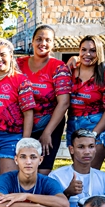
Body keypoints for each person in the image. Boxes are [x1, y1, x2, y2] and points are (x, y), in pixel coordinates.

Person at [16, 26, 72, 175]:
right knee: (20, 170)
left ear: (53, 43)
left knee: (42, 171)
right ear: (32, 42)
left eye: (48, 40)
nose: (43, 43)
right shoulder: (18, 64)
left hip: (49, 126)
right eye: (39, 39)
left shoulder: (59, 67)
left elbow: (64, 103)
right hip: (21, 126)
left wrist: (47, 133)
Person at [0, 39, 36, 174]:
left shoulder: (21, 81)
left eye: (3, 55)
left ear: (11, 56)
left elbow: (28, 113)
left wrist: (25, 142)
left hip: (10, 138)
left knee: (6, 180)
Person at [67, 36, 105, 169]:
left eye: (93, 50)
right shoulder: (70, 70)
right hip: (73, 124)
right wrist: (73, 58)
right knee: (79, 170)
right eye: (83, 50)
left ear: (99, 52)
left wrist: (94, 134)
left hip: (97, 125)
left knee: (91, 170)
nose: (87, 54)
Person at [49, 129, 105, 207]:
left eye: (91, 146)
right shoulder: (56, 176)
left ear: (95, 148)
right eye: (81, 147)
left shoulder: (104, 178)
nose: (87, 152)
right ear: (71, 149)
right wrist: (67, 193)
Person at [0, 138, 69, 207]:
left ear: (40, 160)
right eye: (23, 157)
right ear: (16, 160)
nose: (28, 162)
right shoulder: (5, 179)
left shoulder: (48, 181)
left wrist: (27, 196)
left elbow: (64, 204)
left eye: (33, 157)